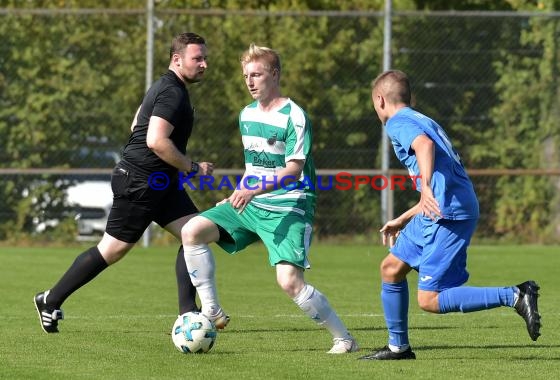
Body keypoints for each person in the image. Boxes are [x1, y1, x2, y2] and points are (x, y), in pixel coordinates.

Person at [180, 43, 359, 354]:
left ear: (274, 75)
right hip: (252, 202)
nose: (250, 82)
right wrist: (237, 194)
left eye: (257, 75)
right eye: (246, 76)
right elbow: (256, 166)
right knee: (191, 231)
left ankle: (344, 338)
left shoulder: (295, 117)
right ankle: (211, 310)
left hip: (289, 205)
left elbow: (292, 171)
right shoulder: (246, 115)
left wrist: (251, 190)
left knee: (289, 281)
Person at [34, 32, 217, 333]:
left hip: (159, 181)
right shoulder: (172, 92)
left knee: (195, 233)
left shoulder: (166, 86)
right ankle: (50, 299)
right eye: (198, 58)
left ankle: (188, 313)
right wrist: (193, 167)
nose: (204, 64)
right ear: (177, 59)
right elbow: (155, 140)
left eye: (204, 58)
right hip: (141, 182)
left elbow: (137, 124)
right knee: (112, 250)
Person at [358, 70, 541, 360]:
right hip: (439, 209)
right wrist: (404, 217)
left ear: (380, 100)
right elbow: (441, 181)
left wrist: (425, 188)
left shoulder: (399, 122)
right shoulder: (422, 119)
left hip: (448, 214)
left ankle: (516, 295)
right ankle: (398, 347)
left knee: (429, 299)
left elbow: (424, 147)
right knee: (391, 268)